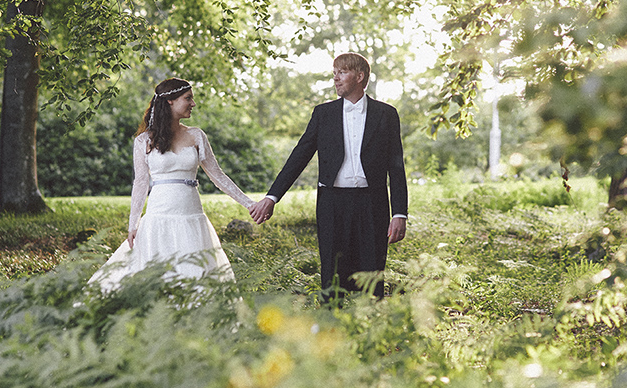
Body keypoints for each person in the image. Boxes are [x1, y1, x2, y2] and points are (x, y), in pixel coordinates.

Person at [249, 53, 407, 302]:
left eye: (341, 72)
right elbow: (299, 157)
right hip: (332, 203)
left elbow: (396, 167)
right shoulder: (323, 114)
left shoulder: (386, 114)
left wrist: (399, 213)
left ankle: (371, 332)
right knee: (332, 276)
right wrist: (272, 197)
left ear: (360, 76)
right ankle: (331, 331)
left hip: (372, 204)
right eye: (334, 73)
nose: (335, 78)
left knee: (372, 276)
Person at [90, 78, 255, 291]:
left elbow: (218, 176)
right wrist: (133, 224)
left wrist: (250, 204)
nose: (193, 104)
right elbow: (140, 183)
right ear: (170, 101)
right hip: (159, 215)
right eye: (188, 98)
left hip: (191, 216)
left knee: (196, 272)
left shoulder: (196, 135)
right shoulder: (143, 141)